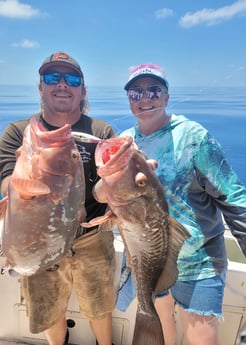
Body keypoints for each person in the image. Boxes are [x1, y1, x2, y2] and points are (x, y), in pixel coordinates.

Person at [116, 63, 246, 345]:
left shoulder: (194, 137)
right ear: (129, 100)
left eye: (154, 90)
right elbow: (105, 194)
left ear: (167, 97)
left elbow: (233, 199)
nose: (145, 98)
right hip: (149, 260)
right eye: (136, 92)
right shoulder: (124, 143)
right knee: (161, 332)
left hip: (198, 263)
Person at [0, 51, 116, 345]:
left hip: (92, 236)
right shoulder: (18, 132)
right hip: (39, 237)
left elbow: (109, 185)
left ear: (82, 90)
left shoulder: (101, 132)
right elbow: (5, 184)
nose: (62, 84)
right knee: (49, 308)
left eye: (72, 79)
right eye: (53, 77)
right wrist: (25, 178)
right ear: (41, 87)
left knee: (100, 305)